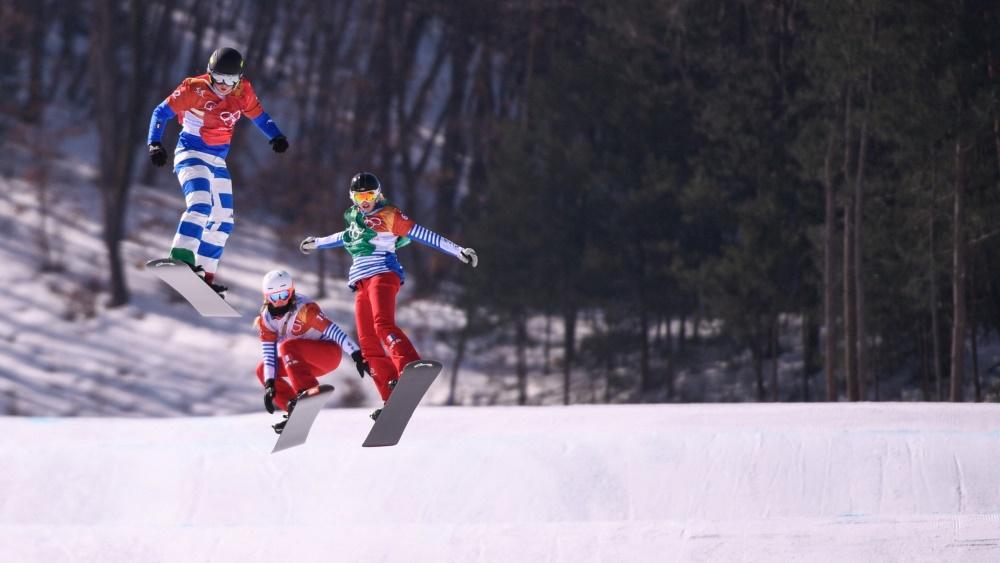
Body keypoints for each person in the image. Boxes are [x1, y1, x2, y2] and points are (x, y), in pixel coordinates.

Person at [299, 172, 477, 420]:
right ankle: (390, 397)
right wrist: (317, 243)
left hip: (383, 273)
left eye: (369, 195)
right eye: (360, 196)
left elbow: (423, 234)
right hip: (361, 283)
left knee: (382, 324)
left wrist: (458, 250)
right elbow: (344, 237)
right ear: (352, 197)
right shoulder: (354, 218)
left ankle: (408, 366)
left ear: (378, 194)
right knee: (368, 342)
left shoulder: (389, 215)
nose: (365, 201)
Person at [146, 47, 289, 294]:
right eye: (218, 79)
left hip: (217, 162)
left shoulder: (243, 91)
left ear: (239, 78)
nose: (223, 85)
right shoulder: (194, 89)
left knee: (223, 221)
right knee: (201, 205)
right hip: (191, 155)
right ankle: (181, 257)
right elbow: (161, 112)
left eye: (230, 81)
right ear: (210, 74)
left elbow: (259, 115)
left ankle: (204, 276)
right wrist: (155, 143)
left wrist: (275, 135)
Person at [254, 269, 370, 434]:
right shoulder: (266, 320)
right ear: (266, 297)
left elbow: (334, 331)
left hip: (328, 354)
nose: (280, 301)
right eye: (275, 297)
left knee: (288, 346)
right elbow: (269, 355)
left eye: (284, 295)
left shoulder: (305, 310)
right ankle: (293, 409)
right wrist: (269, 385)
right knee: (263, 370)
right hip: (303, 364)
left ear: (292, 291)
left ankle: (308, 392)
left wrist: (356, 354)